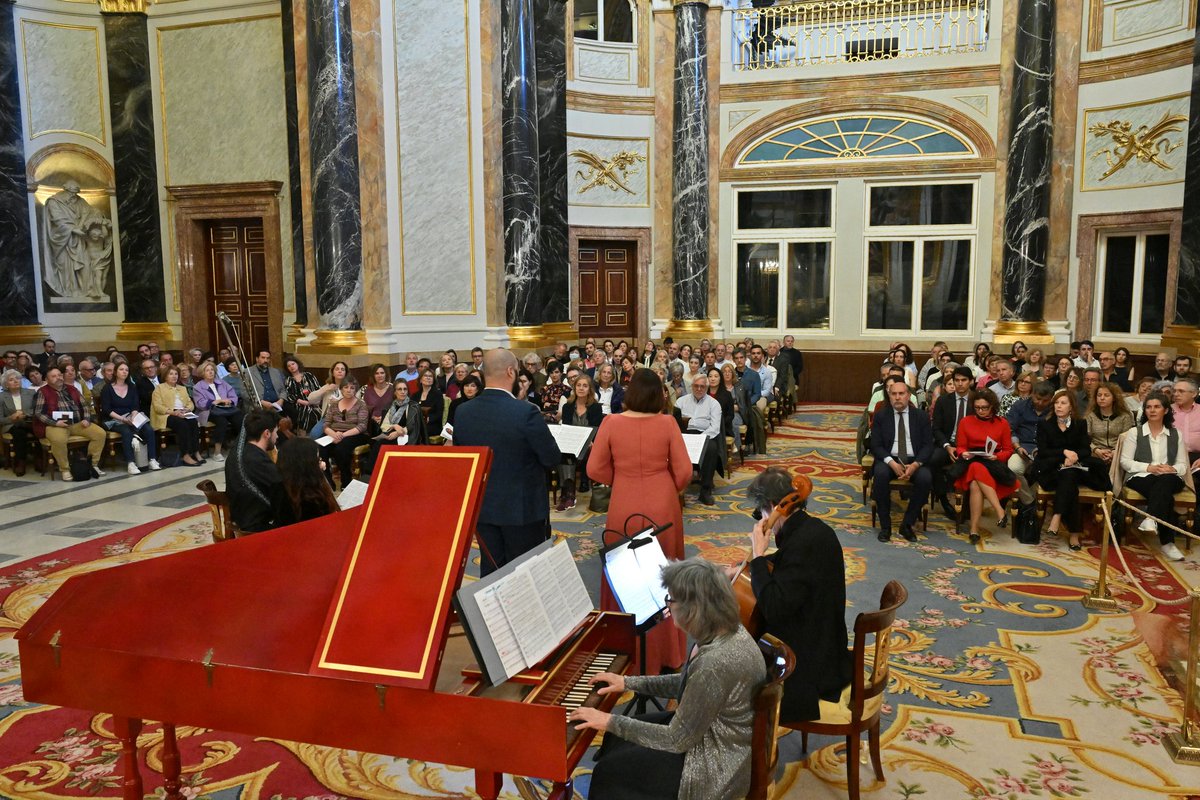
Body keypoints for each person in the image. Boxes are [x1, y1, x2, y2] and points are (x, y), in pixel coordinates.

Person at [573, 558, 766, 800]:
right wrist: (627, 683)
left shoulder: (715, 664)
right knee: (615, 739)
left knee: (608, 772)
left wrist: (609, 720)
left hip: (712, 763)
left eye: (671, 600)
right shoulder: (726, 630)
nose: (667, 606)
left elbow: (676, 739)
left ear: (693, 610)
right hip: (706, 731)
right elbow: (689, 684)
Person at [588, 368, 692, 673]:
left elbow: (594, 469)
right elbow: (685, 472)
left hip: (624, 501)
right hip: (662, 502)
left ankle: (623, 653)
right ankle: (666, 653)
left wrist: (622, 479)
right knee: (665, 574)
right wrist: (668, 487)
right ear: (658, 395)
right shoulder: (668, 422)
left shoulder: (611, 422)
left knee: (625, 572)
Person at [744, 466, 852, 722]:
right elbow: (787, 564)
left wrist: (758, 555)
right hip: (821, 639)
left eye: (760, 512)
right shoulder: (812, 530)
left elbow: (773, 606)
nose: (760, 518)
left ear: (773, 507)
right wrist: (743, 569)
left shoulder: (804, 543)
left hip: (809, 665)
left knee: (737, 663)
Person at [453, 348, 560, 576]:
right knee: (524, 575)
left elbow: (464, 461)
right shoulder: (526, 412)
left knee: (491, 571)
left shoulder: (463, 412)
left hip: (483, 508)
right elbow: (551, 457)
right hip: (522, 510)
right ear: (511, 372)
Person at [1029, 390, 1111, 551]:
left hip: (1074, 467)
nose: (1059, 406)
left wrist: (1073, 457)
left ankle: (1057, 516)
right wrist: (1064, 453)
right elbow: (1043, 451)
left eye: (1063, 403)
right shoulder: (1045, 423)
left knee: (1070, 475)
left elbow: (1085, 450)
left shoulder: (1080, 424)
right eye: (1057, 403)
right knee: (1069, 480)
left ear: (1071, 407)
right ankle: (1073, 533)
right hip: (1051, 469)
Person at [1120, 391, 1189, 560]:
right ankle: (1168, 543)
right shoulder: (1134, 433)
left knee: (1164, 482)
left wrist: (1170, 469)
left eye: (1157, 407)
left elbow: (1182, 465)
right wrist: (1148, 467)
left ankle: (1151, 518)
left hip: (1169, 477)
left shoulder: (1175, 434)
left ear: (1165, 410)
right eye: (1148, 407)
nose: (1152, 410)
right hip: (1141, 476)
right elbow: (1125, 462)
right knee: (1164, 494)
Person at [870, 380, 933, 542]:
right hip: (889, 459)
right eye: (893, 394)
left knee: (925, 478)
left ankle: (907, 524)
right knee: (880, 474)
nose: (897, 397)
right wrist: (891, 462)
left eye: (901, 394)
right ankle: (885, 526)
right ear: (889, 396)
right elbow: (875, 445)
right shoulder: (881, 416)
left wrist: (916, 464)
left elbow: (928, 445)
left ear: (908, 396)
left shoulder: (921, 416)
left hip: (914, 459)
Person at [951, 389, 1017, 544]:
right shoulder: (965, 422)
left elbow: (1008, 450)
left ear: (992, 406)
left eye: (984, 407)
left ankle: (974, 529)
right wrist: (964, 453)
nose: (980, 411)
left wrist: (996, 456)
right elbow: (960, 447)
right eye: (977, 408)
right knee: (975, 467)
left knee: (975, 480)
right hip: (970, 461)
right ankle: (999, 511)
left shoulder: (1002, 423)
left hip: (992, 463)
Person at [33, 366, 107, 480]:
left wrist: (86, 419)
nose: (58, 378)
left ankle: (92, 465)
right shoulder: (43, 391)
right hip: (55, 425)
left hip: (77, 423)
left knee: (100, 433)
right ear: (47, 380)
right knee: (59, 440)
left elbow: (85, 406)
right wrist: (55, 423)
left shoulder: (72, 389)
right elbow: (38, 413)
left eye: (59, 375)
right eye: (53, 376)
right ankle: (65, 469)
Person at [226, 409, 282, 533]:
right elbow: (282, 483)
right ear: (267, 433)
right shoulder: (257, 459)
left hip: (242, 517)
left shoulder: (239, 452)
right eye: (276, 432)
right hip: (255, 526)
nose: (277, 436)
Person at [99, 362, 160, 475]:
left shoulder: (132, 387)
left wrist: (133, 416)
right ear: (116, 372)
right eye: (121, 369)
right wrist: (123, 419)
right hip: (114, 418)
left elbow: (135, 405)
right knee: (126, 431)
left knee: (148, 429)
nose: (124, 372)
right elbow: (107, 409)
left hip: (130, 416)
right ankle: (130, 463)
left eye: (126, 370)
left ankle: (152, 459)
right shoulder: (107, 388)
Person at [555, 374, 604, 511]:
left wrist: (590, 442)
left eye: (585, 386)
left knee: (582, 451)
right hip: (572, 443)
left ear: (590, 389)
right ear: (574, 387)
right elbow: (566, 428)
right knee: (564, 453)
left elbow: (596, 430)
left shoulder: (595, 407)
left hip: (589, 445)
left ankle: (568, 493)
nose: (581, 388)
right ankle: (569, 493)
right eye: (578, 385)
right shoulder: (568, 407)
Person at [1006, 381, 1055, 513]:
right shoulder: (1020, 406)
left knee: (1050, 471)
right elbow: (1010, 429)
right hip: (1021, 447)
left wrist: (1044, 450)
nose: (1040, 403)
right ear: (1032, 394)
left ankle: (1036, 500)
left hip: (1045, 451)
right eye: (1037, 399)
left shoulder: (1055, 409)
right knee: (1014, 468)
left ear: (1051, 398)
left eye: (1045, 400)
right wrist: (1017, 447)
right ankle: (1030, 502)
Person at [676, 373, 724, 506]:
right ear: (691, 386)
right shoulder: (681, 401)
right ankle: (677, 489)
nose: (699, 389)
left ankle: (705, 491)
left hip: (705, 435)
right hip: (684, 434)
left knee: (712, 448)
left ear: (706, 388)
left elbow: (715, 428)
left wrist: (700, 439)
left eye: (702, 387)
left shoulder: (714, 404)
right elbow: (674, 424)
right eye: (696, 386)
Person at [272, 436, 340, 527]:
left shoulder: (278, 486)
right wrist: (320, 474)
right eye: (317, 459)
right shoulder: (313, 497)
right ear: (307, 465)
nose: (321, 462)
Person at [364, 380, 428, 476]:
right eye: (399, 389)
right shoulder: (391, 406)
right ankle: (375, 474)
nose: (402, 392)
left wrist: (398, 432)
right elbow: (384, 425)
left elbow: (413, 426)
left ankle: (370, 474)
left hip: (408, 436)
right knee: (376, 443)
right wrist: (394, 426)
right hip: (391, 434)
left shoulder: (413, 406)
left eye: (405, 389)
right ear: (395, 392)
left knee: (381, 444)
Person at [319, 377, 370, 489]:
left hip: (355, 434)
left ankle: (346, 481)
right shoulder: (333, 405)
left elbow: (361, 426)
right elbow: (326, 425)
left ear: (355, 390)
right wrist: (333, 434)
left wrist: (342, 435)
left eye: (352, 388)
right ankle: (327, 482)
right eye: (346, 387)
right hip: (334, 433)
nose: (349, 390)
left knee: (341, 449)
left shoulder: (361, 405)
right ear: (341, 389)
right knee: (320, 447)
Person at [152, 365, 204, 467]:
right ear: (165, 376)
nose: (174, 376)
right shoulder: (159, 388)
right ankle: (185, 455)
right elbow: (158, 407)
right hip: (167, 414)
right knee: (182, 424)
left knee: (193, 422)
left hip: (183, 412)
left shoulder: (182, 388)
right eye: (171, 374)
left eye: (176, 374)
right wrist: (173, 412)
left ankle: (196, 451)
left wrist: (187, 409)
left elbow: (190, 403)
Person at [193, 362, 243, 462]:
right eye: (207, 370)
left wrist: (230, 401)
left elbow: (233, 395)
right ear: (203, 373)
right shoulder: (198, 387)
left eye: (212, 370)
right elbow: (200, 403)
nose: (210, 372)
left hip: (226, 408)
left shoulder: (222, 382)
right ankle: (217, 452)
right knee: (222, 421)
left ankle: (241, 446)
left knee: (240, 418)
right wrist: (216, 401)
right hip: (209, 410)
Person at [1086, 382, 1134, 467]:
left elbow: (1127, 439)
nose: (1102, 398)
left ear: (1114, 398)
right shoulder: (1090, 416)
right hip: (1095, 452)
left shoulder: (1125, 416)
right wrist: (1096, 450)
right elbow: (1085, 438)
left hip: (1119, 452)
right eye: (1099, 395)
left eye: (1106, 395)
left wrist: (1114, 452)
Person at [0, 369, 36, 475]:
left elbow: (36, 410)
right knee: (19, 432)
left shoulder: (31, 393)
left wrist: (24, 414)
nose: (16, 381)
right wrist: (11, 417)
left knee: (40, 430)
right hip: (11, 425)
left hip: (28, 422)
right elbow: (0, 419)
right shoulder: (1, 397)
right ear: (6, 384)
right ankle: (21, 463)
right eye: (11, 380)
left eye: (17, 379)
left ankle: (39, 458)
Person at [282, 355, 323, 433]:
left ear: (297, 364)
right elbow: (290, 396)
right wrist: (304, 402)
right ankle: (307, 436)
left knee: (318, 413)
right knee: (308, 413)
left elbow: (318, 389)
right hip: (300, 405)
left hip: (315, 402)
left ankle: (316, 436)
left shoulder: (309, 375)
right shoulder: (289, 380)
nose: (291, 367)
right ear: (287, 369)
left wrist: (315, 401)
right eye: (289, 366)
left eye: (293, 364)